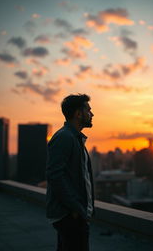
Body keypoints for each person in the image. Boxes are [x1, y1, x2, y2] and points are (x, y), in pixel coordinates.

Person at [46, 94, 95, 251]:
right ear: (78, 114)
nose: (92, 114)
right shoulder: (65, 138)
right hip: (70, 215)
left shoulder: (74, 138)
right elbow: (55, 176)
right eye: (88, 110)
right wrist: (75, 208)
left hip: (73, 214)